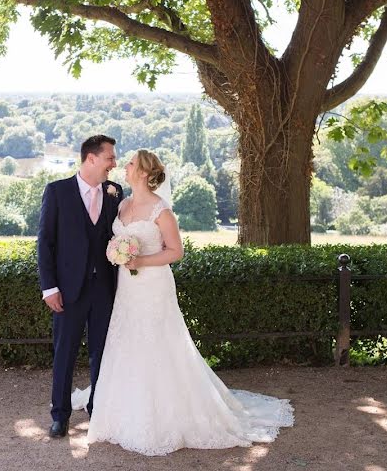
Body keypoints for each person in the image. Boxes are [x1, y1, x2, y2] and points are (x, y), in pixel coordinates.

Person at [70, 149, 294, 456]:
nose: (126, 166)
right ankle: (124, 411)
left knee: (157, 343)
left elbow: (176, 252)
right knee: (128, 341)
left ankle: (163, 415)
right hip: (127, 288)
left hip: (153, 285)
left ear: (145, 173)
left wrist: (140, 259)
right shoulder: (122, 204)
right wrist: (116, 253)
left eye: (132, 163)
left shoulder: (161, 211)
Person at [37, 135, 125, 439]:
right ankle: (59, 415)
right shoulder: (58, 192)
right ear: (91, 159)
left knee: (102, 353)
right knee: (65, 353)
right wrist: (49, 288)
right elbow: (45, 243)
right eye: (110, 158)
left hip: (104, 290)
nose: (114, 164)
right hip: (68, 290)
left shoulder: (115, 194)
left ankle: (97, 407)